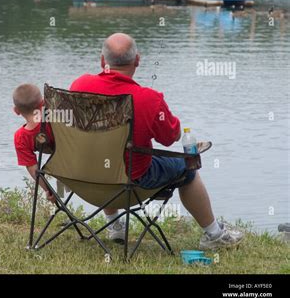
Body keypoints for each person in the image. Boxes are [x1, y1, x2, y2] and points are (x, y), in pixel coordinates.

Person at [69, 33, 244, 250]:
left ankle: (115, 226)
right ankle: (214, 234)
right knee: (188, 167)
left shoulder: (79, 85)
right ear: (137, 60)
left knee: (106, 154)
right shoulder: (148, 99)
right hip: (132, 182)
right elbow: (171, 137)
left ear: (102, 61)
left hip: (82, 176)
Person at [13, 84, 55, 202]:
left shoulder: (20, 137)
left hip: (63, 170)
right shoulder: (56, 117)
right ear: (42, 103)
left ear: (16, 111)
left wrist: (48, 190)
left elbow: (33, 169)